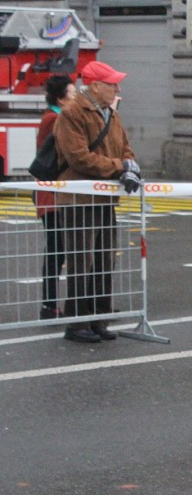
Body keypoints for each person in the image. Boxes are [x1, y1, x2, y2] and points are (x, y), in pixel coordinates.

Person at [53, 60, 142, 344]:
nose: (117, 88)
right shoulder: (73, 113)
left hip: (104, 197)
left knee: (104, 259)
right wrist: (120, 167)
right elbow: (78, 157)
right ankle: (77, 322)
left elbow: (126, 148)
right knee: (82, 260)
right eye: (112, 83)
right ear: (95, 86)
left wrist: (129, 165)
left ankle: (98, 318)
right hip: (79, 198)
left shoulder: (110, 115)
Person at [34, 74, 76, 320]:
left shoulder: (55, 116)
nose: (76, 97)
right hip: (51, 196)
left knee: (57, 250)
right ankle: (49, 305)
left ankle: (50, 305)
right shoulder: (54, 119)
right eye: (72, 93)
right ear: (61, 98)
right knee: (56, 251)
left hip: (54, 193)